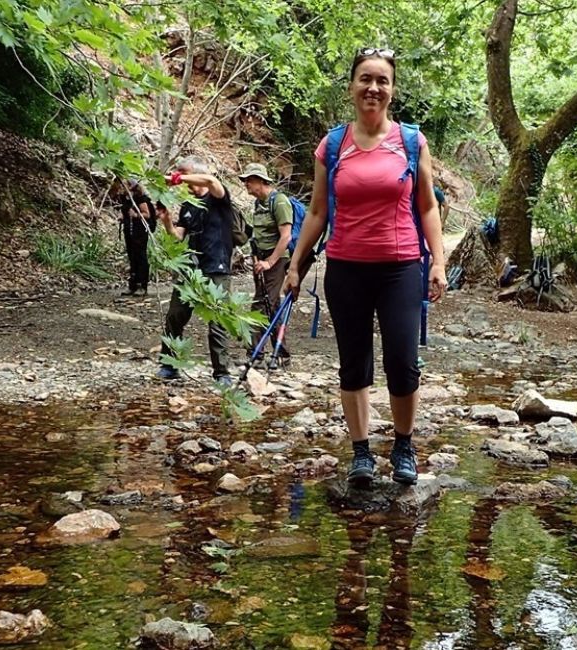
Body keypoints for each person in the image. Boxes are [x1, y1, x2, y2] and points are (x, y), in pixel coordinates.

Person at [283, 47, 448, 487]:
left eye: (382, 80)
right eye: (365, 79)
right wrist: (296, 264)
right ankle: (360, 454)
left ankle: (403, 445)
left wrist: (438, 261)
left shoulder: (412, 142)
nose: (373, 87)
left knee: (402, 361)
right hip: (345, 268)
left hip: (400, 269)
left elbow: (428, 206)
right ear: (352, 86)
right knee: (353, 364)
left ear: (392, 90)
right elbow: (317, 212)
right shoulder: (332, 145)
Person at [155, 157, 234, 385]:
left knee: (217, 321)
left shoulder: (218, 197)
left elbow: (210, 180)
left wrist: (176, 178)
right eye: (179, 173)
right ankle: (169, 365)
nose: (182, 179)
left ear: (195, 173)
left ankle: (222, 373)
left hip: (216, 267)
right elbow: (179, 235)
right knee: (175, 316)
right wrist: (167, 221)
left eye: (184, 173)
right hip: (191, 269)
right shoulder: (189, 204)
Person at [239, 162, 295, 367]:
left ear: (261, 181)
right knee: (272, 306)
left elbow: (286, 236)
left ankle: (255, 353)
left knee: (261, 304)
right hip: (260, 260)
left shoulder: (279, 202)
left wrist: (269, 262)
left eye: (249, 180)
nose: (246, 184)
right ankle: (282, 353)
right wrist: (256, 258)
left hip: (276, 261)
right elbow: (256, 236)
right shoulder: (259, 204)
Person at [116, 179, 156, 296]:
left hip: (140, 231)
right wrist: (123, 217)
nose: (122, 187)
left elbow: (146, 214)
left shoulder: (140, 198)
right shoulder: (125, 198)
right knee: (132, 256)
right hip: (129, 230)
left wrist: (136, 215)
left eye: (125, 185)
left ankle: (142, 285)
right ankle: (132, 284)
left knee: (140, 256)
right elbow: (125, 212)